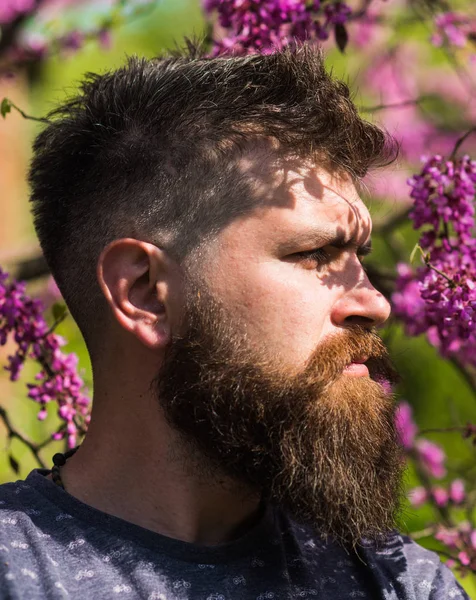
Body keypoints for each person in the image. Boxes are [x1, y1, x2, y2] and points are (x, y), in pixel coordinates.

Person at [0, 43, 469, 600]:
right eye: (315, 253)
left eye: (359, 258)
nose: (373, 303)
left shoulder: (400, 584)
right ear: (146, 294)